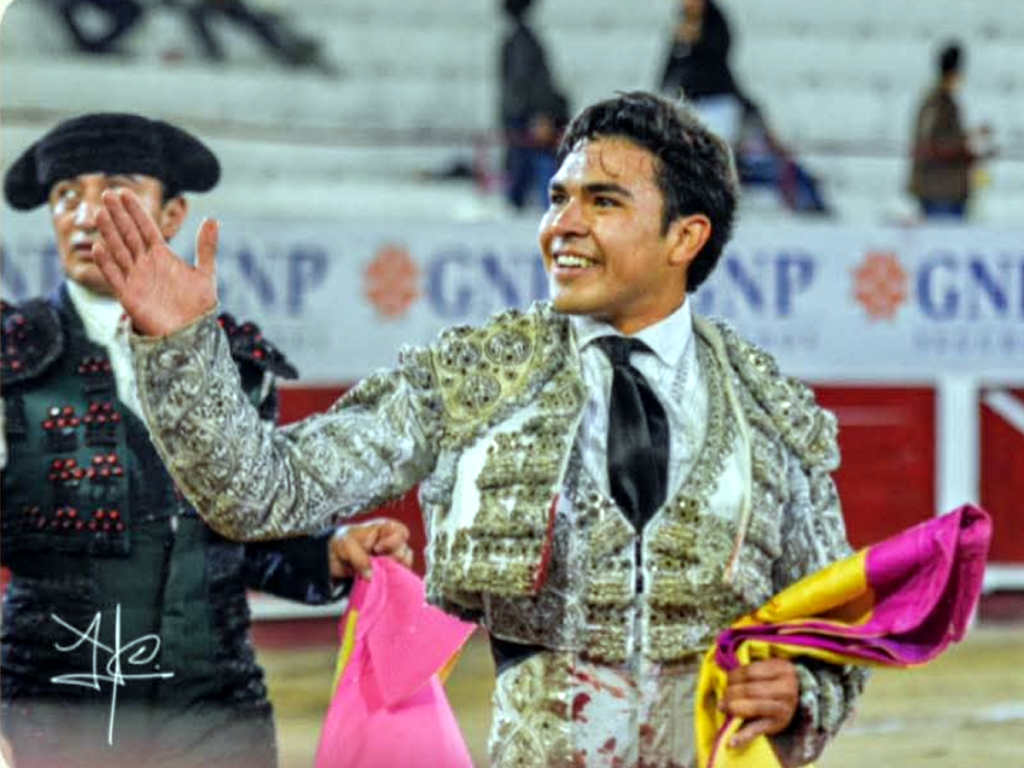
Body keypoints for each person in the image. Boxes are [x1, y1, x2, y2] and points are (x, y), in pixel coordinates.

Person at [94, 92, 867, 767]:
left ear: (685, 237)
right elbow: (262, 494)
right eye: (557, 197)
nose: (561, 225)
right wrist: (181, 349)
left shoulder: (771, 413)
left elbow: (837, 636)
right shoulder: (478, 375)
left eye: (602, 201)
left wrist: (802, 692)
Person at [0, 113, 412, 768]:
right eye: (64, 196)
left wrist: (328, 551)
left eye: (114, 190)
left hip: (216, 712)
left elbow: (244, 532)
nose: (83, 216)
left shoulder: (237, 363)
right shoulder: (9, 358)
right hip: (55, 713)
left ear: (173, 215)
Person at [908, 42, 993, 220]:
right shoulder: (938, 103)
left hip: (944, 189)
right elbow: (936, 142)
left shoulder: (940, 101)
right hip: (941, 190)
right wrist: (972, 138)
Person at [499, 0, 569, 211]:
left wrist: (539, 115)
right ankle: (536, 204)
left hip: (525, 114)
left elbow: (526, 83)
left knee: (530, 163)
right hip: (525, 113)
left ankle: (539, 205)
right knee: (529, 163)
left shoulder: (520, 42)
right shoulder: (523, 41)